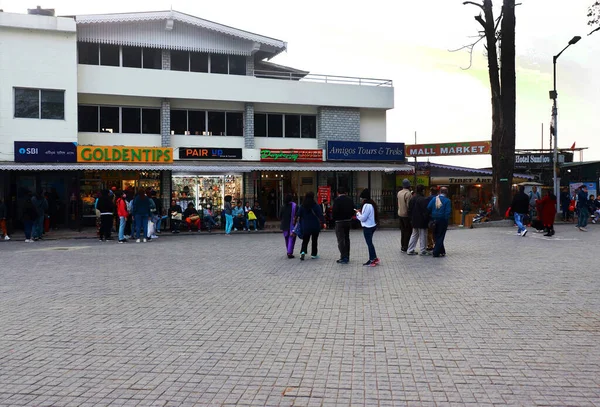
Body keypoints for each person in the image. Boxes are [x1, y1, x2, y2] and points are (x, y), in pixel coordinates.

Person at [296, 191, 325, 261]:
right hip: (315, 226)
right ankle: (314, 254)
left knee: (305, 240)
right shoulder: (316, 205)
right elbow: (320, 215)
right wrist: (324, 222)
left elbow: (298, 214)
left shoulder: (302, 206)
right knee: (314, 240)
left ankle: (303, 252)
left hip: (305, 226)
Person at [355, 189, 380, 267]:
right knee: (370, 243)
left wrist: (358, 213)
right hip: (372, 225)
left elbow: (363, 218)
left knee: (369, 243)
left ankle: (372, 260)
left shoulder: (366, 205)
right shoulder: (371, 204)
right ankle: (374, 258)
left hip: (367, 226)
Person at [332, 187, 355, 264]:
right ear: (345, 192)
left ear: (338, 193)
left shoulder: (336, 200)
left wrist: (334, 219)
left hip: (339, 222)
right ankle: (347, 255)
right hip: (348, 221)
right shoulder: (350, 200)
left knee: (341, 239)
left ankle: (343, 256)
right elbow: (353, 210)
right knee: (347, 238)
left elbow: (334, 211)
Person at [427, 186, 452, 258]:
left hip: (434, 219)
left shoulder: (434, 199)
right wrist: (446, 220)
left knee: (436, 235)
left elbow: (428, 207)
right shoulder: (447, 201)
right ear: (446, 193)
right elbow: (447, 212)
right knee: (440, 236)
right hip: (442, 220)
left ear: (440, 192)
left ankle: (442, 251)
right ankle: (436, 252)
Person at [407, 185, 430, 256]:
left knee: (414, 235)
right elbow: (425, 211)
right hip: (422, 220)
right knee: (423, 235)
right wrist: (427, 218)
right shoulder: (423, 199)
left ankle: (410, 249)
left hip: (414, 220)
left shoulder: (412, 199)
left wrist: (411, 219)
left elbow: (409, 210)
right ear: (422, 190)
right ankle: (423, 250)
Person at [397, 179, 412, 253]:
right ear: (409, 185)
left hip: (400, 213)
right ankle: (406, 246)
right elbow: (409, 205)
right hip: (406, 215)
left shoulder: (399, 192)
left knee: (402, 231)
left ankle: (402, 245)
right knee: (408, 231)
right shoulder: (408, 193)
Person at [280, 194, 297, 258]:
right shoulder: (294, 206)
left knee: (286, 239)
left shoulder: (282, 207)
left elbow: (280, 216)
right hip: (292, 225)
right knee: (291, 239)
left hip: (284, 225)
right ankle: (289, 252)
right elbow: (297, 215)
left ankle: (288, 251)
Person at [425, 187, 438, 252]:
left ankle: (430, 245)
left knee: (429, 232)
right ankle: (436, 244)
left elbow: (427, 208)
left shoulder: (428, 198)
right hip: (437, 217)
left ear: (431, 192)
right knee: (436, 232)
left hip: (430, 217)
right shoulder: (439, 198)